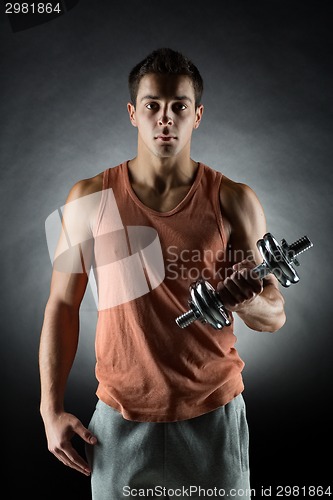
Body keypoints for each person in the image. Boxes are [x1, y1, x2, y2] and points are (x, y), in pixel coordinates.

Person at [39, 47, 286, 499]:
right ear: (133, 113)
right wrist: (49, 408)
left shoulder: (235, 200)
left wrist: (249, 298)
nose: (165, 118)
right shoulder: (89, 197)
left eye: (179, 107)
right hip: (119, 421)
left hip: (213, 415)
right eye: (152, 106)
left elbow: (274, 314)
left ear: (198, 116)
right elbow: (61, 304)